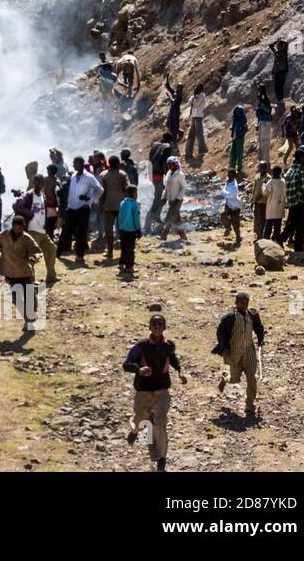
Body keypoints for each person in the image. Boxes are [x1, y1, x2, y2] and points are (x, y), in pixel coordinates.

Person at [124, 314, 187, 472]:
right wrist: (139, 369)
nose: (158, 327)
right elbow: (126, 365)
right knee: (141, 421)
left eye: (161, 325)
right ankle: (134, 430)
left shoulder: (169, 345)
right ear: (150, 327)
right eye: (154, 324)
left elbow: (172, 358)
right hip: (143, 391)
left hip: (161, 391)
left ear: (165, 327)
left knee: (160, 424)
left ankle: (161, 460)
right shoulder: (141, 346)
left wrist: (180, 371)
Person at [213, 293, 264, 418]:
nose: (244, 306)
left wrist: (261, 339)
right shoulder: (229, 318)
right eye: (242, 303)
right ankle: (225, 378)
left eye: (246, 303)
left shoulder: (252, 315)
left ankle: (250, 405)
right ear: (236, 303)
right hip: (234, 352)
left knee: (252, 377)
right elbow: (221, 333)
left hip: (249, 351)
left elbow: (259, 327)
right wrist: (224, 348)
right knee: (235, 379)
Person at [0, 214, 41, 332]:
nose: (18, 231)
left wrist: (35, 258)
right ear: (12, 226)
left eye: (20, 229)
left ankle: (30, 320)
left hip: (25, 272)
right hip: (11, 273)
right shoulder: (4, 235)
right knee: (16, 299)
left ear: (23, 227)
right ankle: (28, 319)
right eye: (16, 228)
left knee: (30, 297)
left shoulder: (27, 238)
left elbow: (37, 251)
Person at [57, 155, 102, 261]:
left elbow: (99, 189)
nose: (73, 165)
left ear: (81, 164)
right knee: (66, 230)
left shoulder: (89, 177)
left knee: (81, 232)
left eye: (75, 163)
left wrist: (89, 198)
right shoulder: (73, 176)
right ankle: (58, 252)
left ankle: (80, 255)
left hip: (83, 207)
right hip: (72, 207)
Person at [98, 155, 129, 259]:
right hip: (121, 205)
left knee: (108, 229)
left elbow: (101, 192)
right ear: (118, 164)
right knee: (122, 229)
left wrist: (100, 205)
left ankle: (110, 252)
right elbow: (127, 189)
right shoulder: (122, 174)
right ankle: (124, 252)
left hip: (108, 205)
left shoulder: (103, 175)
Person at [284, 149, 304, 252]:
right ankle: (298, 247)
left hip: (291, 201)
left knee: (293, 222)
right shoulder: (301, 170)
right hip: (300, 201)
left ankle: (282, 238)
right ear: (301, 158)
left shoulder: (291, 169)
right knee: (300, 225)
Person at [146, 132, 173, 233]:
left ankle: (156, 216)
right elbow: (164, 163)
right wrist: (168, 175)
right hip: (158, 174)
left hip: (151, 172)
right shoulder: (167, 147)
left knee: (160, 195)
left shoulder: (155, 144)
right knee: (159, 197)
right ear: (170, 140)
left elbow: (150, 158)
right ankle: (148, 221)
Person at [161, 157, 187, 242]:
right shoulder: (168, 173)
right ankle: (183, 235)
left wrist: (178, 198)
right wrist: (163, 197)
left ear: (175, 165)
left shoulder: (180, 174)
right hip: (170, 199)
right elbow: (166, 187)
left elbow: (184, 187)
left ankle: (164, 234)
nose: (169, 166)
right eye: (168, 164)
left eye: (171, 164)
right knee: (176, 218)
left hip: (177, 200)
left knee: (169, 216)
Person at [118, 183, 142, 275]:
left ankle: (121, 263)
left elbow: (120, 217)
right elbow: (136, 218)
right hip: (131, 230)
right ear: (133, 194)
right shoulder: (134, 204)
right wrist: (138, 230)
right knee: (130, 249)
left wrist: (119, 227)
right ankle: (129, 267)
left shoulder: (122, 203)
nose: (137, 195)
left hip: (122, 229)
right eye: (136, 193)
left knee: (123, 247)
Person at [261, 165, 286, 242]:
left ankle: (265, 240)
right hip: (280, 207)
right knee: (277, 226)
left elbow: (265, 193)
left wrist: (263, 185)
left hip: (271, 207)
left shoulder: (270, 182)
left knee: (268, 225)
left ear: (272, 172)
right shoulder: (283, 182)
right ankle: (276, 240)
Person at [220, 169, 243, 249]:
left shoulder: (234, 186)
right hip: (228, 204)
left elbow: (231, 195)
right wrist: (224, 192)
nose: (229, 177)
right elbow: (224, 192)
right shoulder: (227, 182)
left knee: (235, 223)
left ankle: (238, 237)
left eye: (231, 175)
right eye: (228, 175)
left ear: (234, 176)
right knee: (223, 215)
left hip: (235, 206)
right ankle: (228, 227)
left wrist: (224, 192)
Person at [184, 84, 207, 159]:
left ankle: (202, 150)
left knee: (199, 134)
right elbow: (189, 102)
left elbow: (196, 104)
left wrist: (195, 98)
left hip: (198, 116)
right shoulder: (195, 96)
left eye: (199, 88)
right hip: (193, 117)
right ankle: (188, 152)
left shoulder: (202, 95)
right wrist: (194, 96)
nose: (197, 89)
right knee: (191, 135)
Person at [255, 86, 274, 165]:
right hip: (262, 122)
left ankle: (266, 161)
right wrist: (257, 123)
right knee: (261, 142)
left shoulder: (265, 100)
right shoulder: (261, 101)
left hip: (266, 122)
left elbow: (268, 110)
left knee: (265, 141)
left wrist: (261, 104)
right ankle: (262, 161)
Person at [270, 37, 290, 107]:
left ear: (281, 46)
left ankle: (280, 99)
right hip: (277, 72)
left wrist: (281, 41)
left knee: (280, 86)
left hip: (282, 71)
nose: (277, 47)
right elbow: (271, 46)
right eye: (277, 46)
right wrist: (276, 41)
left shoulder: (284, 52)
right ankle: (279, 99)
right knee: (276, 86)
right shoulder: (277, 53)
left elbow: (286, 44)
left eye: (278, 46)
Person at [164, 75, 184, 145]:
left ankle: (174, 142)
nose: (177, 87)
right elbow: (168, 87)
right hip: (172, 111)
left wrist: (169, 97)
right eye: (177, 86)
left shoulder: (179, 96)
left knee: (174, 127)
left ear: (181, 88)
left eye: (179, 87)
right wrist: (166, 78)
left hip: (175, 112)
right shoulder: (176, 93)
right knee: (169, 124)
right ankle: (180, 133)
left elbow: (173, 102)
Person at [229, 104, 248, 174]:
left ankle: (239, 168)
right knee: (232, 152)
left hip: (239, 138)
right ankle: (232, 166)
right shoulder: (235, 118)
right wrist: (232, 128)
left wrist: (241, 131)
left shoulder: (243, 119)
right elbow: (233, 125)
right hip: (234, 138)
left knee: (239, 153)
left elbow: (245, 128)